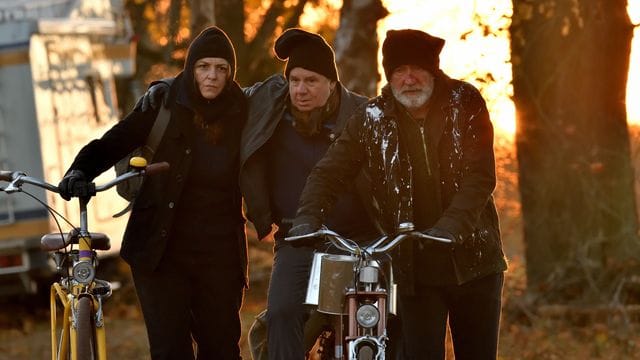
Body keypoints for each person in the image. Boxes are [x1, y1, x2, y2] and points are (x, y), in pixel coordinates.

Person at [140, 28, 381, 360]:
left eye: (311, 81)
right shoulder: (268, 103)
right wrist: (166, 87)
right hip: (298, 236)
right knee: (282, 314)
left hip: (359, 239)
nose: (301, 89)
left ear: (332, 83)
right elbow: (220, 91)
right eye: (295, 80)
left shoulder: (364, 115)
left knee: (372, 318)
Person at [290, 29, 508, 360]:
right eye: (398, 71)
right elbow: (329, 172)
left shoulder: (465, 103)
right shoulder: (371, 118)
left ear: (433, 70)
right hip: (415, 268)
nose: (408, 79)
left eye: (417, 69)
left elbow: (479, 176)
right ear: (389, 75)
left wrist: (450, 227)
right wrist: (308, 216)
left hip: (475, 261)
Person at [58, 26, 248, 359]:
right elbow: (115, 141)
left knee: (221, 348)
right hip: (160, 252)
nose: (212, 76)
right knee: (169, 349)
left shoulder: (244, 110)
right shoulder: (164, 104)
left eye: (222, 68)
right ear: (191, 69)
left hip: (220, 255)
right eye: (204, 67)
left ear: (231, 73)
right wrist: (79, 169)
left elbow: (282, 102)